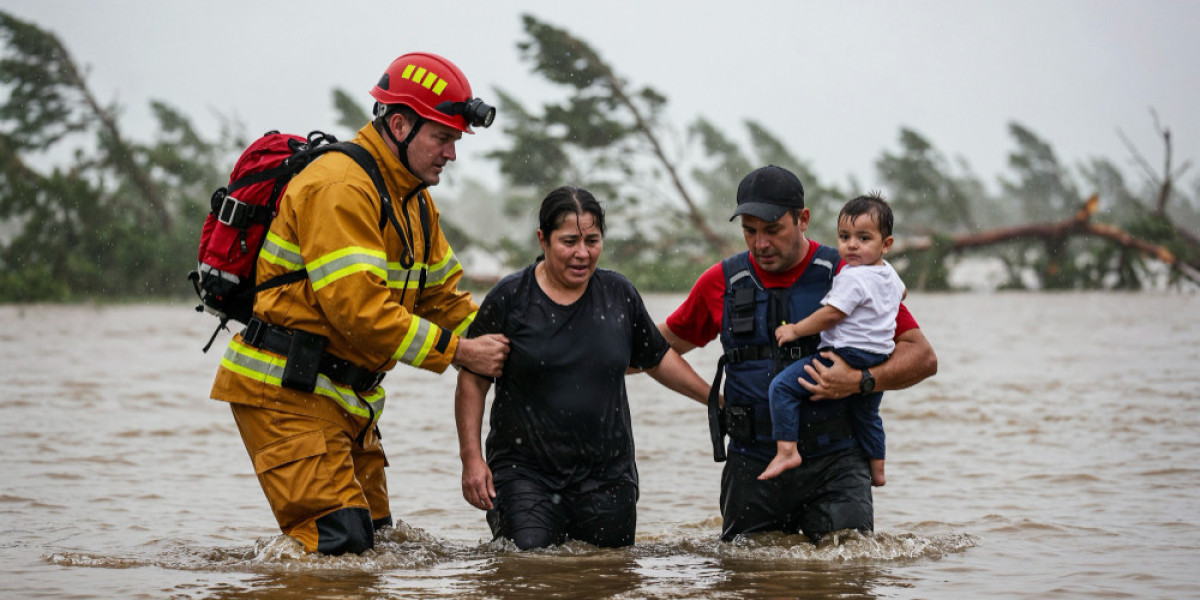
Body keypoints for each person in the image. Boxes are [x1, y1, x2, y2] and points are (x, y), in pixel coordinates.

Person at [208, 52, 511, 555]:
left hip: (348, 402)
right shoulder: (339, 187)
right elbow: (361, 314)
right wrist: (462, 353)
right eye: (443, 138)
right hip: (287, 396)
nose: (451, 155)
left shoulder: (413, 199)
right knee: (340, 550)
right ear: (399, 124)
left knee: (379, 550)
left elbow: (445, 300)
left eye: (455, 141)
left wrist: (527, 338)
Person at [658, 165, 937, 543]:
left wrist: (861, 380)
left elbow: (922, 357)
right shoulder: (719, 281)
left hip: (836, 463)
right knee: (749, 579)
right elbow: (653, 351)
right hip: (753, 463)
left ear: (803, 220)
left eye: (773, 230)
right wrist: (714, 398)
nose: (760, 243)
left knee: (849, 572)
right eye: (750, 231)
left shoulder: (852, 272)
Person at [454, 186, 710, 550]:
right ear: (542, 239)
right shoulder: (511, 298)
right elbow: (472, 382)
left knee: (607, 575)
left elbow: (658, 358)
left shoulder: (618, 294)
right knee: (528, 573)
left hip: (608, 478)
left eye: (592, 240)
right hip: (525, 474)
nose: (582, 253)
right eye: (569, 241)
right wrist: (471, 458)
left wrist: (715, 399)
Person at [760, 193, 906, 485]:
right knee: (867, 415)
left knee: (782, 389)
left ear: (885, 244)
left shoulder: (853, 277)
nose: (851, 245)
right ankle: (878, 470)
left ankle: (787, 450)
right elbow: (901, 294)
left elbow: (830, 315)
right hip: (879, 355)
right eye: (844, 236)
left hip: (847, 354)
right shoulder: (888, 274)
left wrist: (795, 330)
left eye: (863, 238)